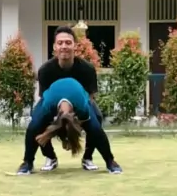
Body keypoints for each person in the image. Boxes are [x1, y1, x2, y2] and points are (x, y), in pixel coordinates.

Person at [16, 26, 122, 175]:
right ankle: (34, 160)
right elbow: (44, 98)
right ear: (54, 47)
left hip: (81, 103)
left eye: (68, 42)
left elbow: (90, 97)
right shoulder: (45, 70)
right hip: (52, 103)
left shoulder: (87, 69)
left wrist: (76, 118)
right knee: (35, 123)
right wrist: (58, 120)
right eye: (60, 43)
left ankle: (101, 159)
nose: (64, 46)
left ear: (75, 46)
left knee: (96, 120)